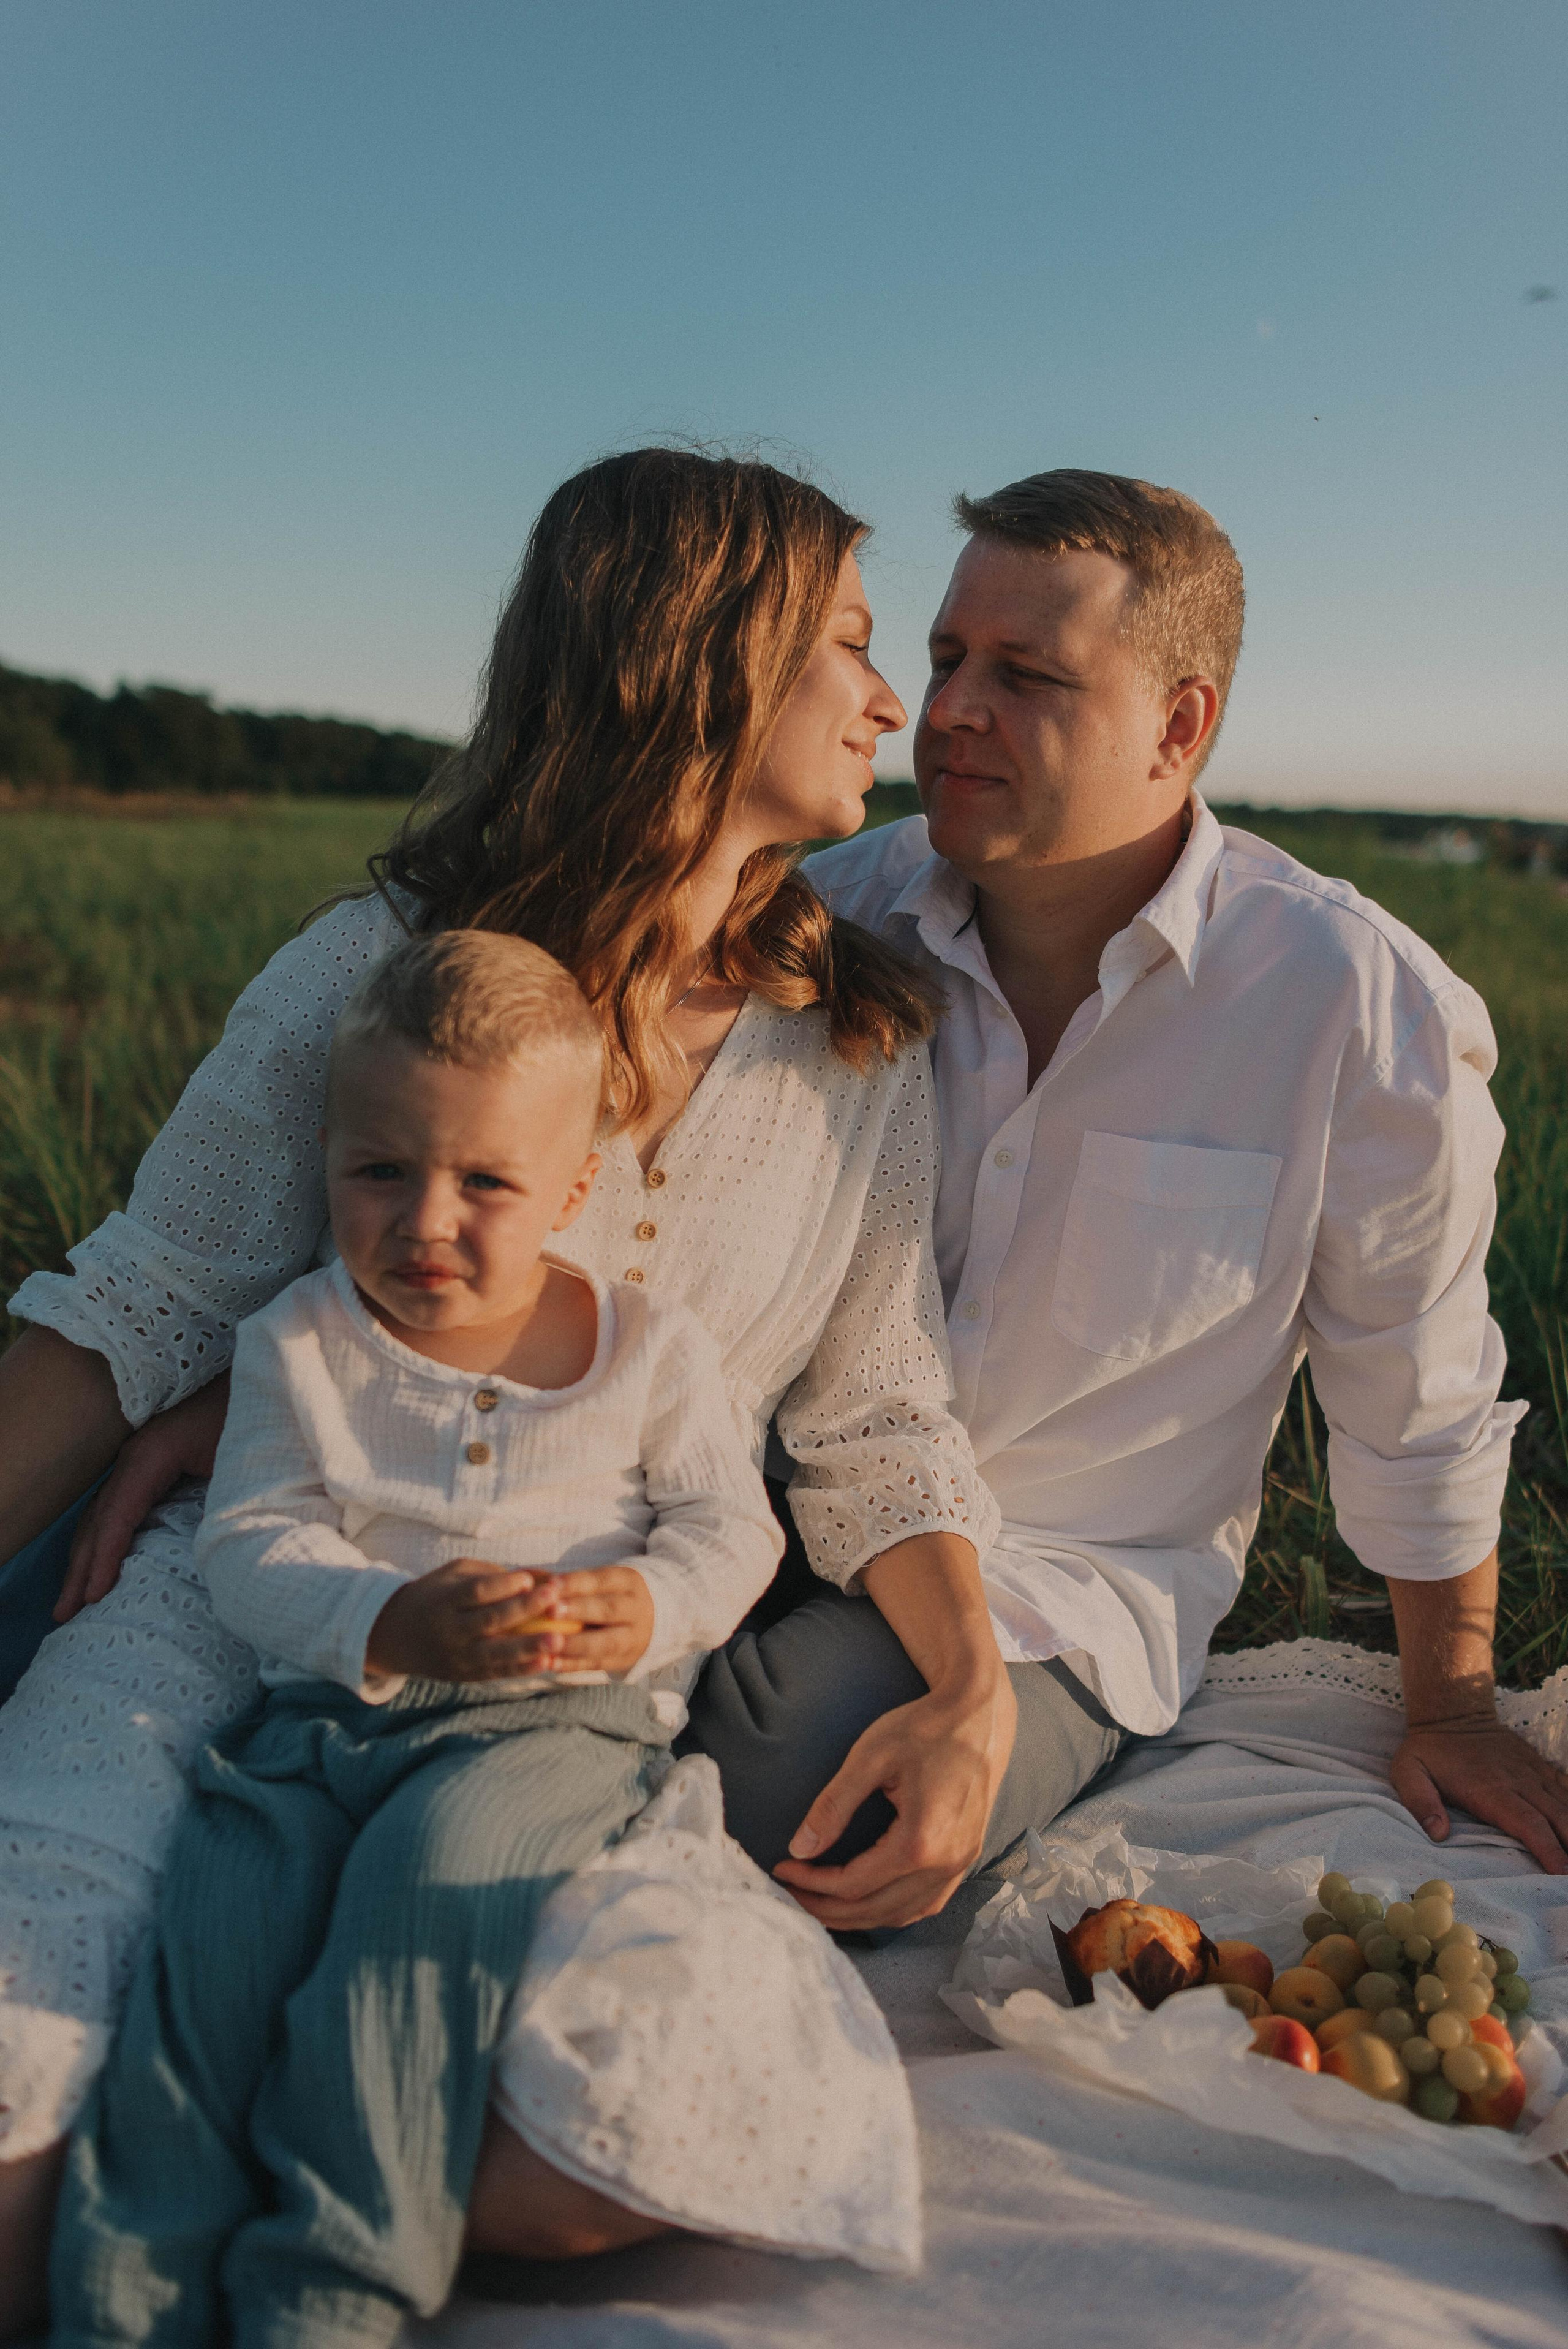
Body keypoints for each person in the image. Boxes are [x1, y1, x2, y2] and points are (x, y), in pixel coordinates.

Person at [0, 450, 1017, 2334]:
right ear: (692, 665)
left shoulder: (855, 1044)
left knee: (587, 2146)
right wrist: (253, 1383)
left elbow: (875, 1423)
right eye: (856, 648)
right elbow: (142, 1301)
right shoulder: (381, 966)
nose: (897, 702)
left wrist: (973, 1690)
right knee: (15, 2127)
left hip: (557, 1703)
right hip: (237, 1620)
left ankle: (273, 2182)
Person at [756, 464, 1568, 1949]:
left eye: (1024, 674)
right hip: (765, 1506)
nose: (944, 711)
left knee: (785, 1778)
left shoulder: (1346, 1000)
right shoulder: (826, 918)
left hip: (1057, 1592)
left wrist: (1448, 1705)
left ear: (1178, 726)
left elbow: (1415, 1390)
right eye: (942, 659)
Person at [48, 928, 791, 2347]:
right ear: (328, 1160)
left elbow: (728, 1529)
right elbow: (249, 1541)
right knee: (212, 1940)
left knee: (415, 1910)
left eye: (485, 1184)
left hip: (549, 1725)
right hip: (316, 1723)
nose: (424, 1221)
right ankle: (129, 2298)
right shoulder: (300, 1344)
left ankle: (330, 2295)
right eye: (378, 1171)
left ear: (573, 1188)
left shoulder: (642, 1347)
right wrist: (385, 1612)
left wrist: (649, 1607)